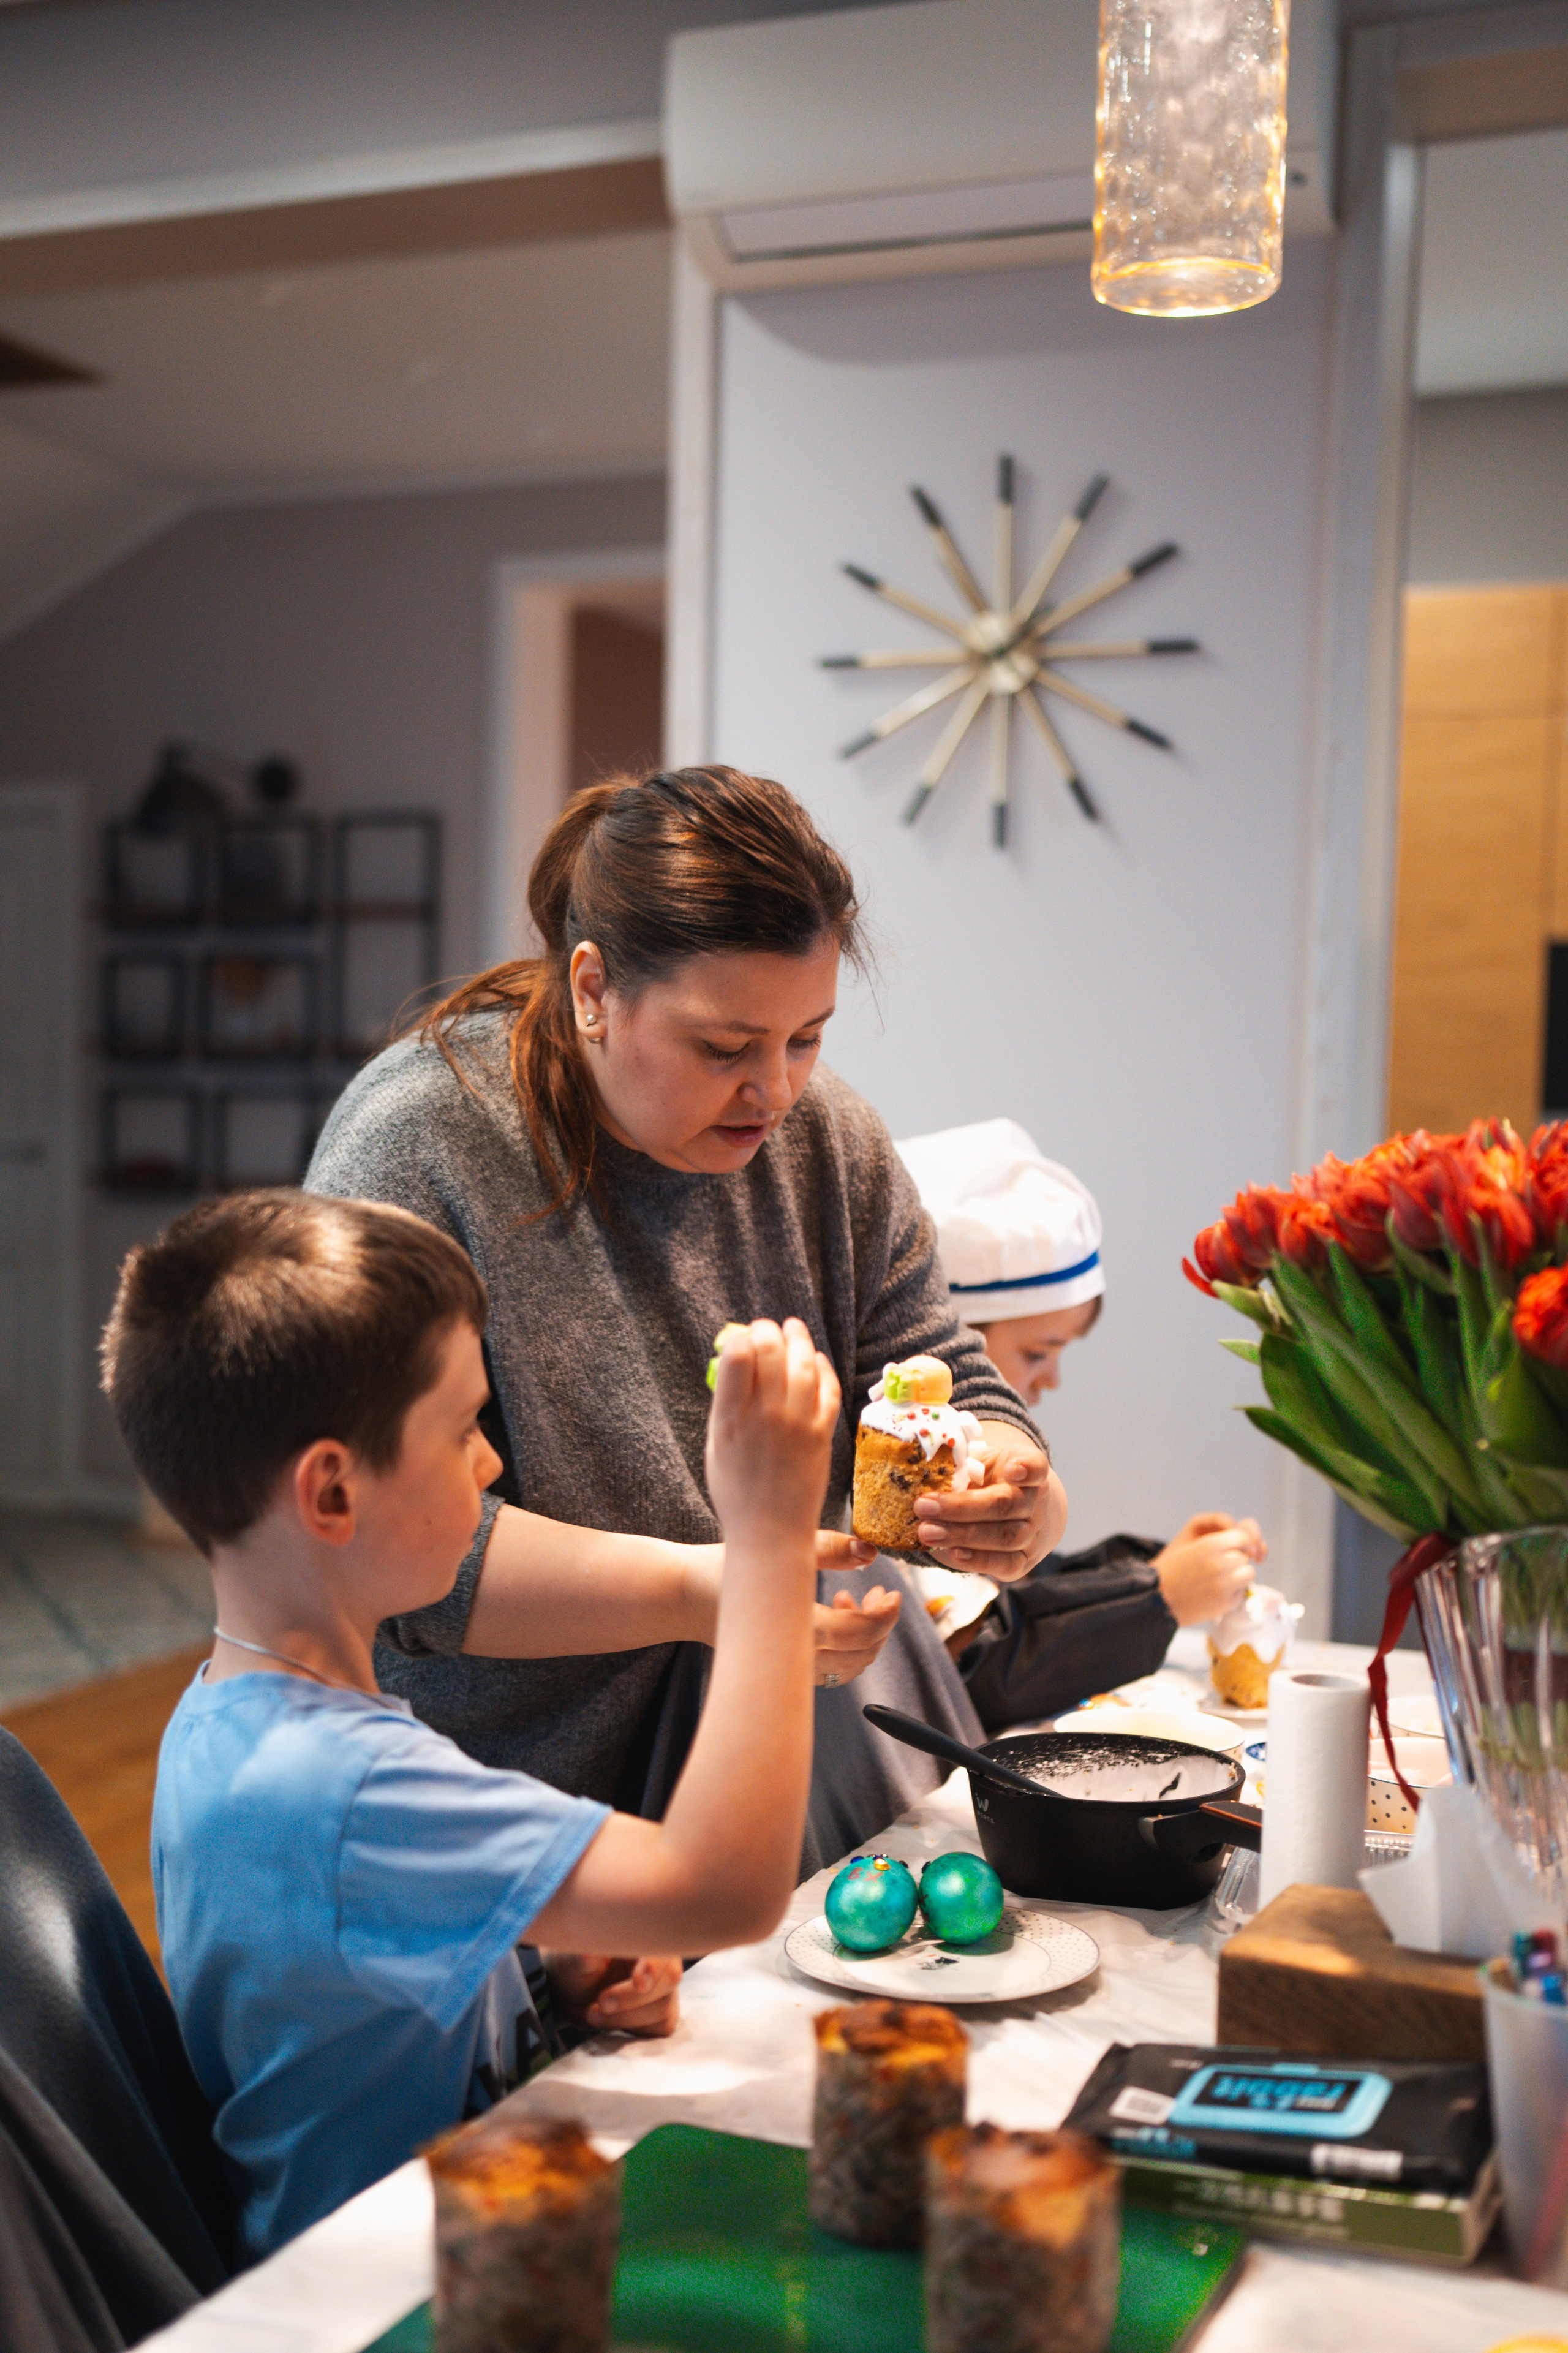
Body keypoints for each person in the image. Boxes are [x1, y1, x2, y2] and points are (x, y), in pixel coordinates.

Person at [307, 768, 1067, 1869]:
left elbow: (954, 1379)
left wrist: (1008, 1481)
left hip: (793, 1754)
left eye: (807, 1037)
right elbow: (393, 1548)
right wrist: (732, 1595)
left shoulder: (829, 1143)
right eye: (725, 1048)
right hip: (512, 1815)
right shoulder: (419, 1144)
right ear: (592, 988)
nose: (777, 1091)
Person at [102, 1190, 843, 2257]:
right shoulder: (340, 1784)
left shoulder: (236, 1719)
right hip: (399, 2292)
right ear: (332, 1493)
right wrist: (769, 1539)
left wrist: (540, 1975)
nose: (490, 1463)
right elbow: (723, 1887)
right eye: (463, 1432)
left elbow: (356, 1986)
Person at [894, 1119, 1266, 1732]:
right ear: (952, 1344)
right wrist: (1157, 1596)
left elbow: (1014, 1586)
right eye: (1038, 1352)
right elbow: (975, 1663)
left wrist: (1151, 1565)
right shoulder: (899, 1470)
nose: (1050, 1381)